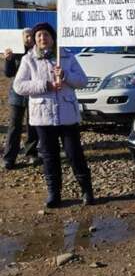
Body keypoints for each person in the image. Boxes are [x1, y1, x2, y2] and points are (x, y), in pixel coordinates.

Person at [13, 22, 94, 209]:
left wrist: (65, 75)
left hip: (67, 116)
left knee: (75, 155)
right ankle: (54, 194)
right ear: (34, 39)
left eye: (46, 35)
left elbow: (82, 81)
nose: (43, 38)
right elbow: (19, 86)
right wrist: (45, 85)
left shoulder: (66, 56)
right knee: (49, 156)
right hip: (43, 117)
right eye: (39, 35)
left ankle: (86, 191)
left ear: (53, 38)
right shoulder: (28, 60)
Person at [3, 28, 39, 169]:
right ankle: (9, 158)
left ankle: (31, 153)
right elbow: (8, 73)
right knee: (14, 126)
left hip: (34, 93)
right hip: (17, 94)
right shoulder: (15, 52)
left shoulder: (38, 52)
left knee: (33, 125)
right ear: (22, 38)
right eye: (26, 36)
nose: (29, 38)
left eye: (31, 36)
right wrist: (8, 60)